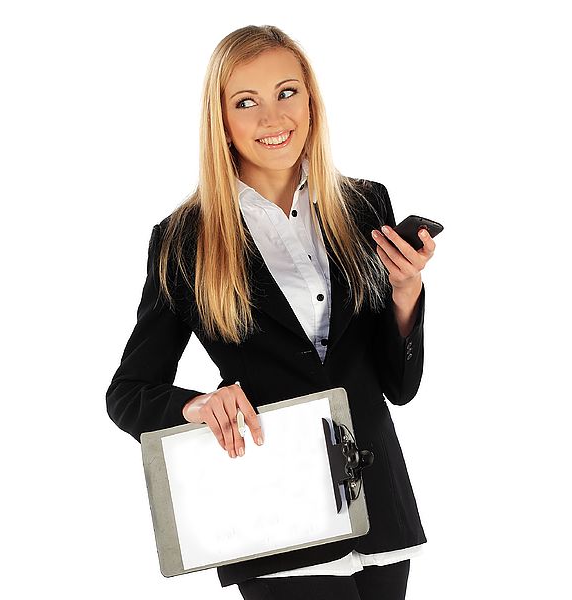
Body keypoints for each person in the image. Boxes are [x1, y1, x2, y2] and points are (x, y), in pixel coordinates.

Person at [105, 24, 436, 600]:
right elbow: (128, 391)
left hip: (379, 505)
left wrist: (405, 294)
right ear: (222, 120)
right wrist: (197, 405)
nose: (271, 119)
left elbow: (398, 386)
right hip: (275, 514)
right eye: (245, 102)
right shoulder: (186, 239)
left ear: (311, 99)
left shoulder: (365, 204)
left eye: (287, 92)